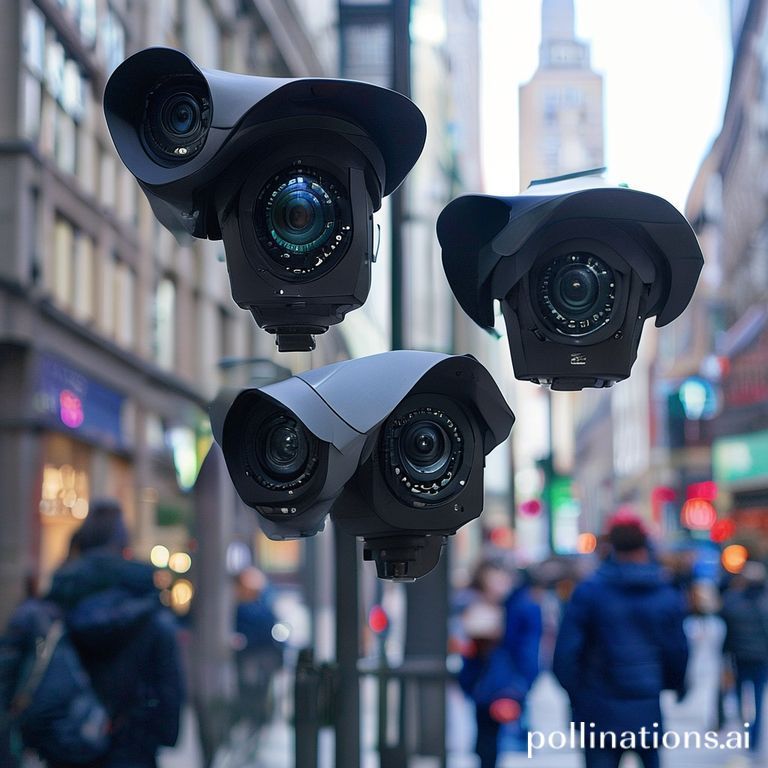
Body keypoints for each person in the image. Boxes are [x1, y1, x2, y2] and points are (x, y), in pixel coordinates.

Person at [42, 498, 184, 767]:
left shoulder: (57, 600)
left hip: (67, 745)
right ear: (124, 545)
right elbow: (168, 692)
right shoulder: (150, 612)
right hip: (133, 747)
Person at [553, 513, 689, 768]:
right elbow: (676, 650)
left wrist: (577, 693)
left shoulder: (590, 592)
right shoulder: (665, 593)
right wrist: (674, 684)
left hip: (598, 704)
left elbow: (565, 653)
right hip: (645, 700)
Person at [458, 559, 542, 768]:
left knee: (506, 734)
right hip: (482, 682)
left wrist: (523, 682)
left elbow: (529, 649)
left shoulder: (521, 607)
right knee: (486, 740)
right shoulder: (473, 605)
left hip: (507, 680)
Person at [720, 560, 768, 754]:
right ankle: (753, 735)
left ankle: (747, 730)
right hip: (759, 658)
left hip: (739, 657)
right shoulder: (764, 602)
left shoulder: (733, 600)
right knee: (757, 696)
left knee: (741, 695)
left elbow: (727, 628)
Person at [232, 566, 283, 728]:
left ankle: (255, 716)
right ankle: (257, 716)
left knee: (253, 687)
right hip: (259, 654)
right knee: (257, 688)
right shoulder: (263, 608)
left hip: (254, 655)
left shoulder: (247, 609)